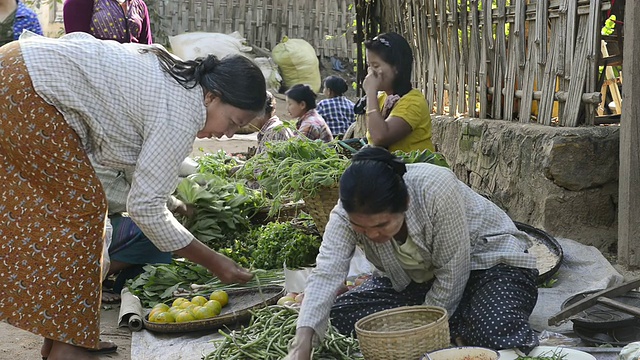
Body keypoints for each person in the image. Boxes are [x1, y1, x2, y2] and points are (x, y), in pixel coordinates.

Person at [0, 32, 266, 359]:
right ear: (212, 97)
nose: (226, 135)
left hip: (19, 71)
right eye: (233, 122)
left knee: (78, 213)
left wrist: (169, 201)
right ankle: (68, 345)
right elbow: (143, 208)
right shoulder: (184, 109)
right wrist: (216, 263)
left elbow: (139, 172)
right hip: (25, 86)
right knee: (82, 214)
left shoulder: (181, 85)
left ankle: (64, 337)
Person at [285, 146, 540, 359]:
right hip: (420, 281)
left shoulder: (435, 189)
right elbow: (327, 272)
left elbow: (454, 271)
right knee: (338, 318)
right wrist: (303, 339)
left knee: (492, 331)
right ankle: (463, 320)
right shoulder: (344, 214)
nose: (372, 235)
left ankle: (468, 319)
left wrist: (421, 329)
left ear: (404, 204)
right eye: (360, 228)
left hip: (488, 263)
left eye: (382, 225)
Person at [362, 32, 434, 152]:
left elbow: (380, 137)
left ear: (397, 68)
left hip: (414, 169)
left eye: (375, 65)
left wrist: (370, 92)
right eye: (369, 65)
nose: (370, 72)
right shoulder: (381, 99)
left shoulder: (413, 102)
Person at [63, 0, 152, 44]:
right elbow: (75, 46)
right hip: (96, 73)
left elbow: (147, 48)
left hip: (133, 74)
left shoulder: (139, 5)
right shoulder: (79, 2)